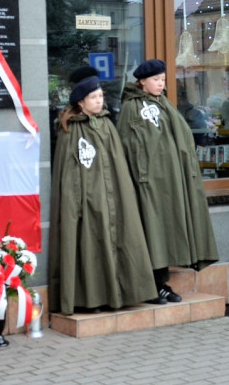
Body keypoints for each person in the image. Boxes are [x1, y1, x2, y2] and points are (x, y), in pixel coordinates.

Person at [49, 72, 157, 315]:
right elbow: (69, 172)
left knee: (118, 243)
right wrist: (78, 199)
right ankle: (91, 298)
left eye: (100, 96)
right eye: (93, 97)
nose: (99, 101)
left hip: (112, 196)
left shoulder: (107, 124)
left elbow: (116, 162)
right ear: (80, 102)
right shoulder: (71, 129)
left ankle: (119, 295)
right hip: (88, 198)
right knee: (91, 247)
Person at [117, 59, 219, 303]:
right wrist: (144, 177)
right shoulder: (133, 107)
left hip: (170, 182)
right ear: (142, 81)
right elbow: (131, 145)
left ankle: (161, 283)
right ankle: (151, 286)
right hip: (149, 183)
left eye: (163, 80)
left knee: (163, 233)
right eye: (156, 80)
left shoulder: (162, 103)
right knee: (152, 233)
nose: (161, 84)